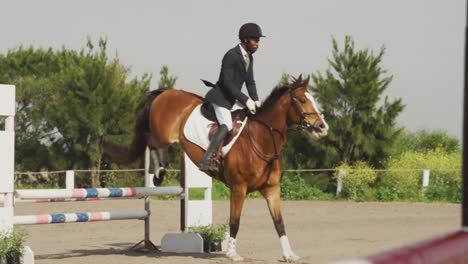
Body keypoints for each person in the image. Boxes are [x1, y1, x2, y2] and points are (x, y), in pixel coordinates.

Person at [199, 23, 266, 173]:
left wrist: (255, 100)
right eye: (255, 40)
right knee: (227, 125)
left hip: (232, 99)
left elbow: (250, 82)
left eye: (258, 41)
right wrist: (245, 99)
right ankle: (207, 159)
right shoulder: (231, 55)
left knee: (247, 119)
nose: (258, 44)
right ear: (246, 39)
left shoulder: (249, 58)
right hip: (220, 98)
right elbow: (226, 82)